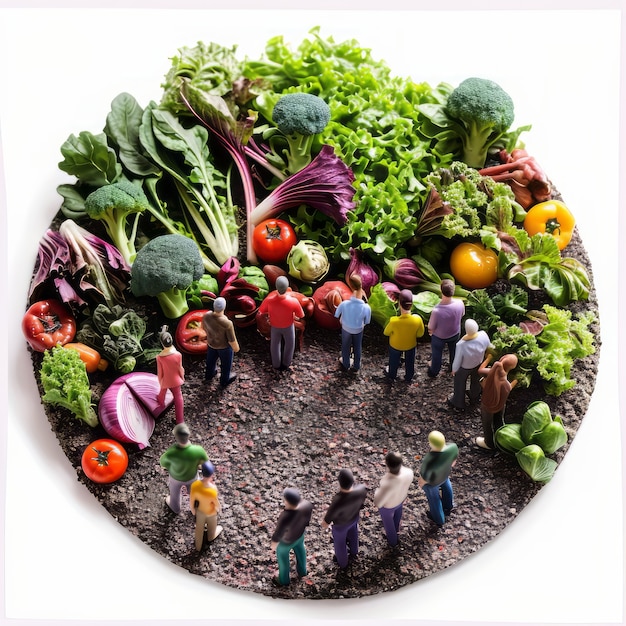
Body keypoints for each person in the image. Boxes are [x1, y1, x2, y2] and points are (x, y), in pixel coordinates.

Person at [321, 469, 367, 569]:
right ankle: (354, 552)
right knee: (354, 534)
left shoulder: (338, 499)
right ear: (353, 481)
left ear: (339, 482)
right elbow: (362, 503)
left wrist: (324, 523)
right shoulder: (361, 489)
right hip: (354, 518)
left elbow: (328, 518)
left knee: (340, 543)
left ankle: (343, 563)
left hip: (340, 525)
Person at [159, 423, 208, 515]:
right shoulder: (198, 450)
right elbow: (204, 463)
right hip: (192, 476)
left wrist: (170, 466)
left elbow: (163, 462)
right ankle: (196, 507)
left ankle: (175, 508)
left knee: (175, 494)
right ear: (189, 435)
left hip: (176, 477)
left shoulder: (172, 451)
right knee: (194, 492)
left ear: (176, 437)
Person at [258, 275, 304, 371]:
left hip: (275, 326)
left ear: (276, 287)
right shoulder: (293, 301)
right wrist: (294, 316)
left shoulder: (269, 301)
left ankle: (276, 364)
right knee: (290, 344)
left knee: (275, 345)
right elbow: (300, 315)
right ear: (287, 288)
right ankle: (286, 363)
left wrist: (270, 313)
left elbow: (261, 311)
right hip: (289, 326)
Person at [270, 487, 314, 587]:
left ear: (287, 501)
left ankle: (283, 580)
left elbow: (278, 533)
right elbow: (307, 519)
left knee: (283, 561)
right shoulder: (307, 505)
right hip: (299, 535)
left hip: (286, 542)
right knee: (301, 552)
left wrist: (273, 544)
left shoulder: (285, 516)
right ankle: (303, 571)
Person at [476, 353, 518, 449]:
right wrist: (515, 381)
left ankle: (488, 443)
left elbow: (480, 370)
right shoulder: (505, 383)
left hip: (488, 406)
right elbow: (508, 389)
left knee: (487, 424)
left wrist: (488, 358)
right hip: (500, 405)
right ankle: (501, 437)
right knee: (499, 420)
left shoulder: (492, 372)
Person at [448, 319, 492, 412]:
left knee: (459, 382)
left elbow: (458, 359)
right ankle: (475, 396)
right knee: (476, 380)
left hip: (465, 367)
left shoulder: (461, 344)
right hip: (479, 363)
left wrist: (454, 369)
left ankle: (458, 402)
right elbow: (489, 346)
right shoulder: (483, 335)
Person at [418, 430, 459, 527]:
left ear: (431, 444)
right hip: (444, 475)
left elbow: (425, 475)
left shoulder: (430, 458)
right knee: (447, 488)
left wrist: (422, 482)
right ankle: (448, 506)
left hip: (432, 482)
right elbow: (454, 461)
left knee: (434, 499)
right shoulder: (452, 447)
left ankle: (439, 518)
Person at [383, 289, 425, 382]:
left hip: (395, 345)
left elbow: (386, 332)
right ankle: (409, 376)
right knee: (410, 362)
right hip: (410, 345)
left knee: (393, 361)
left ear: (399, 304)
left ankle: (392, 375)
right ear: (412, 304)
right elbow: (420, 334)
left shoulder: (394, 321)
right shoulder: (417, 319)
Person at [373, 452, 414, 547]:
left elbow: (378, 502)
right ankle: (397, 529)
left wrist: (377, 492)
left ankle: (393, 542)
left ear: (387, 464)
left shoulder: (387, 483)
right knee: (398, 514)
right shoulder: (409, 472)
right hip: (401, 498)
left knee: (388, 524)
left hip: (388, 506)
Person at [427, 279, 465, 378]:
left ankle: (434, 371)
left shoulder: (437, 310)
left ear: (441, 290)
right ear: (454, 290)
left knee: (437, 355)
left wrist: (431, 332)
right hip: (455, 333)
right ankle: (453, 367)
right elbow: (462, 314)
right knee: (454, 352)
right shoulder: (460, 303)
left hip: (439, 337)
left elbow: (431, 327)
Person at [334, 274, 371, 372]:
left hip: (346, 328)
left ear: (350, 285)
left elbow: (336, 315)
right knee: (357, 347)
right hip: (359, 329)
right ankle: (356, 365)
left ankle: (346, 364)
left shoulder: (344, 304)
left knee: (345, 347)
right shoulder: (366, 307)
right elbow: (367, 321)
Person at [202, 297, 240, 387]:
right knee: (226, 365)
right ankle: (224, 380)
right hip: (224, 348)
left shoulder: (206, 315)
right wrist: (236, 348)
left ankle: (209, 374)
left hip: (211, 344)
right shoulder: (227, 323)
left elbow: (203, 327)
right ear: (224, 308)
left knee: (210, 361)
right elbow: (232, 340)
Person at [189, 460, 223, 551]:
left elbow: (192, 499)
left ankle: (198, 546)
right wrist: (218, 509)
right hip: (210, 513)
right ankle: (211, 536)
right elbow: (215, 502)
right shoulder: (212, 489)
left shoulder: (195, 485)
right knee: (212, 528)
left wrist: (192, 508)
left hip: (200, 511)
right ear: (211, 474)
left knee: (199, 529)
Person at [156, 326, 185, 424]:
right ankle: (180, 420)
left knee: (162, 393)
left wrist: (160, 381)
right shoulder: (178, 354)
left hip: (165, 380)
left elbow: (160, 372)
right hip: (176, 380)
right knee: (178, 397)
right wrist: (182, 376)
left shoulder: (160, 357)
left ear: (162, 343)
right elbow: (180, 368)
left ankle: (160, 405)